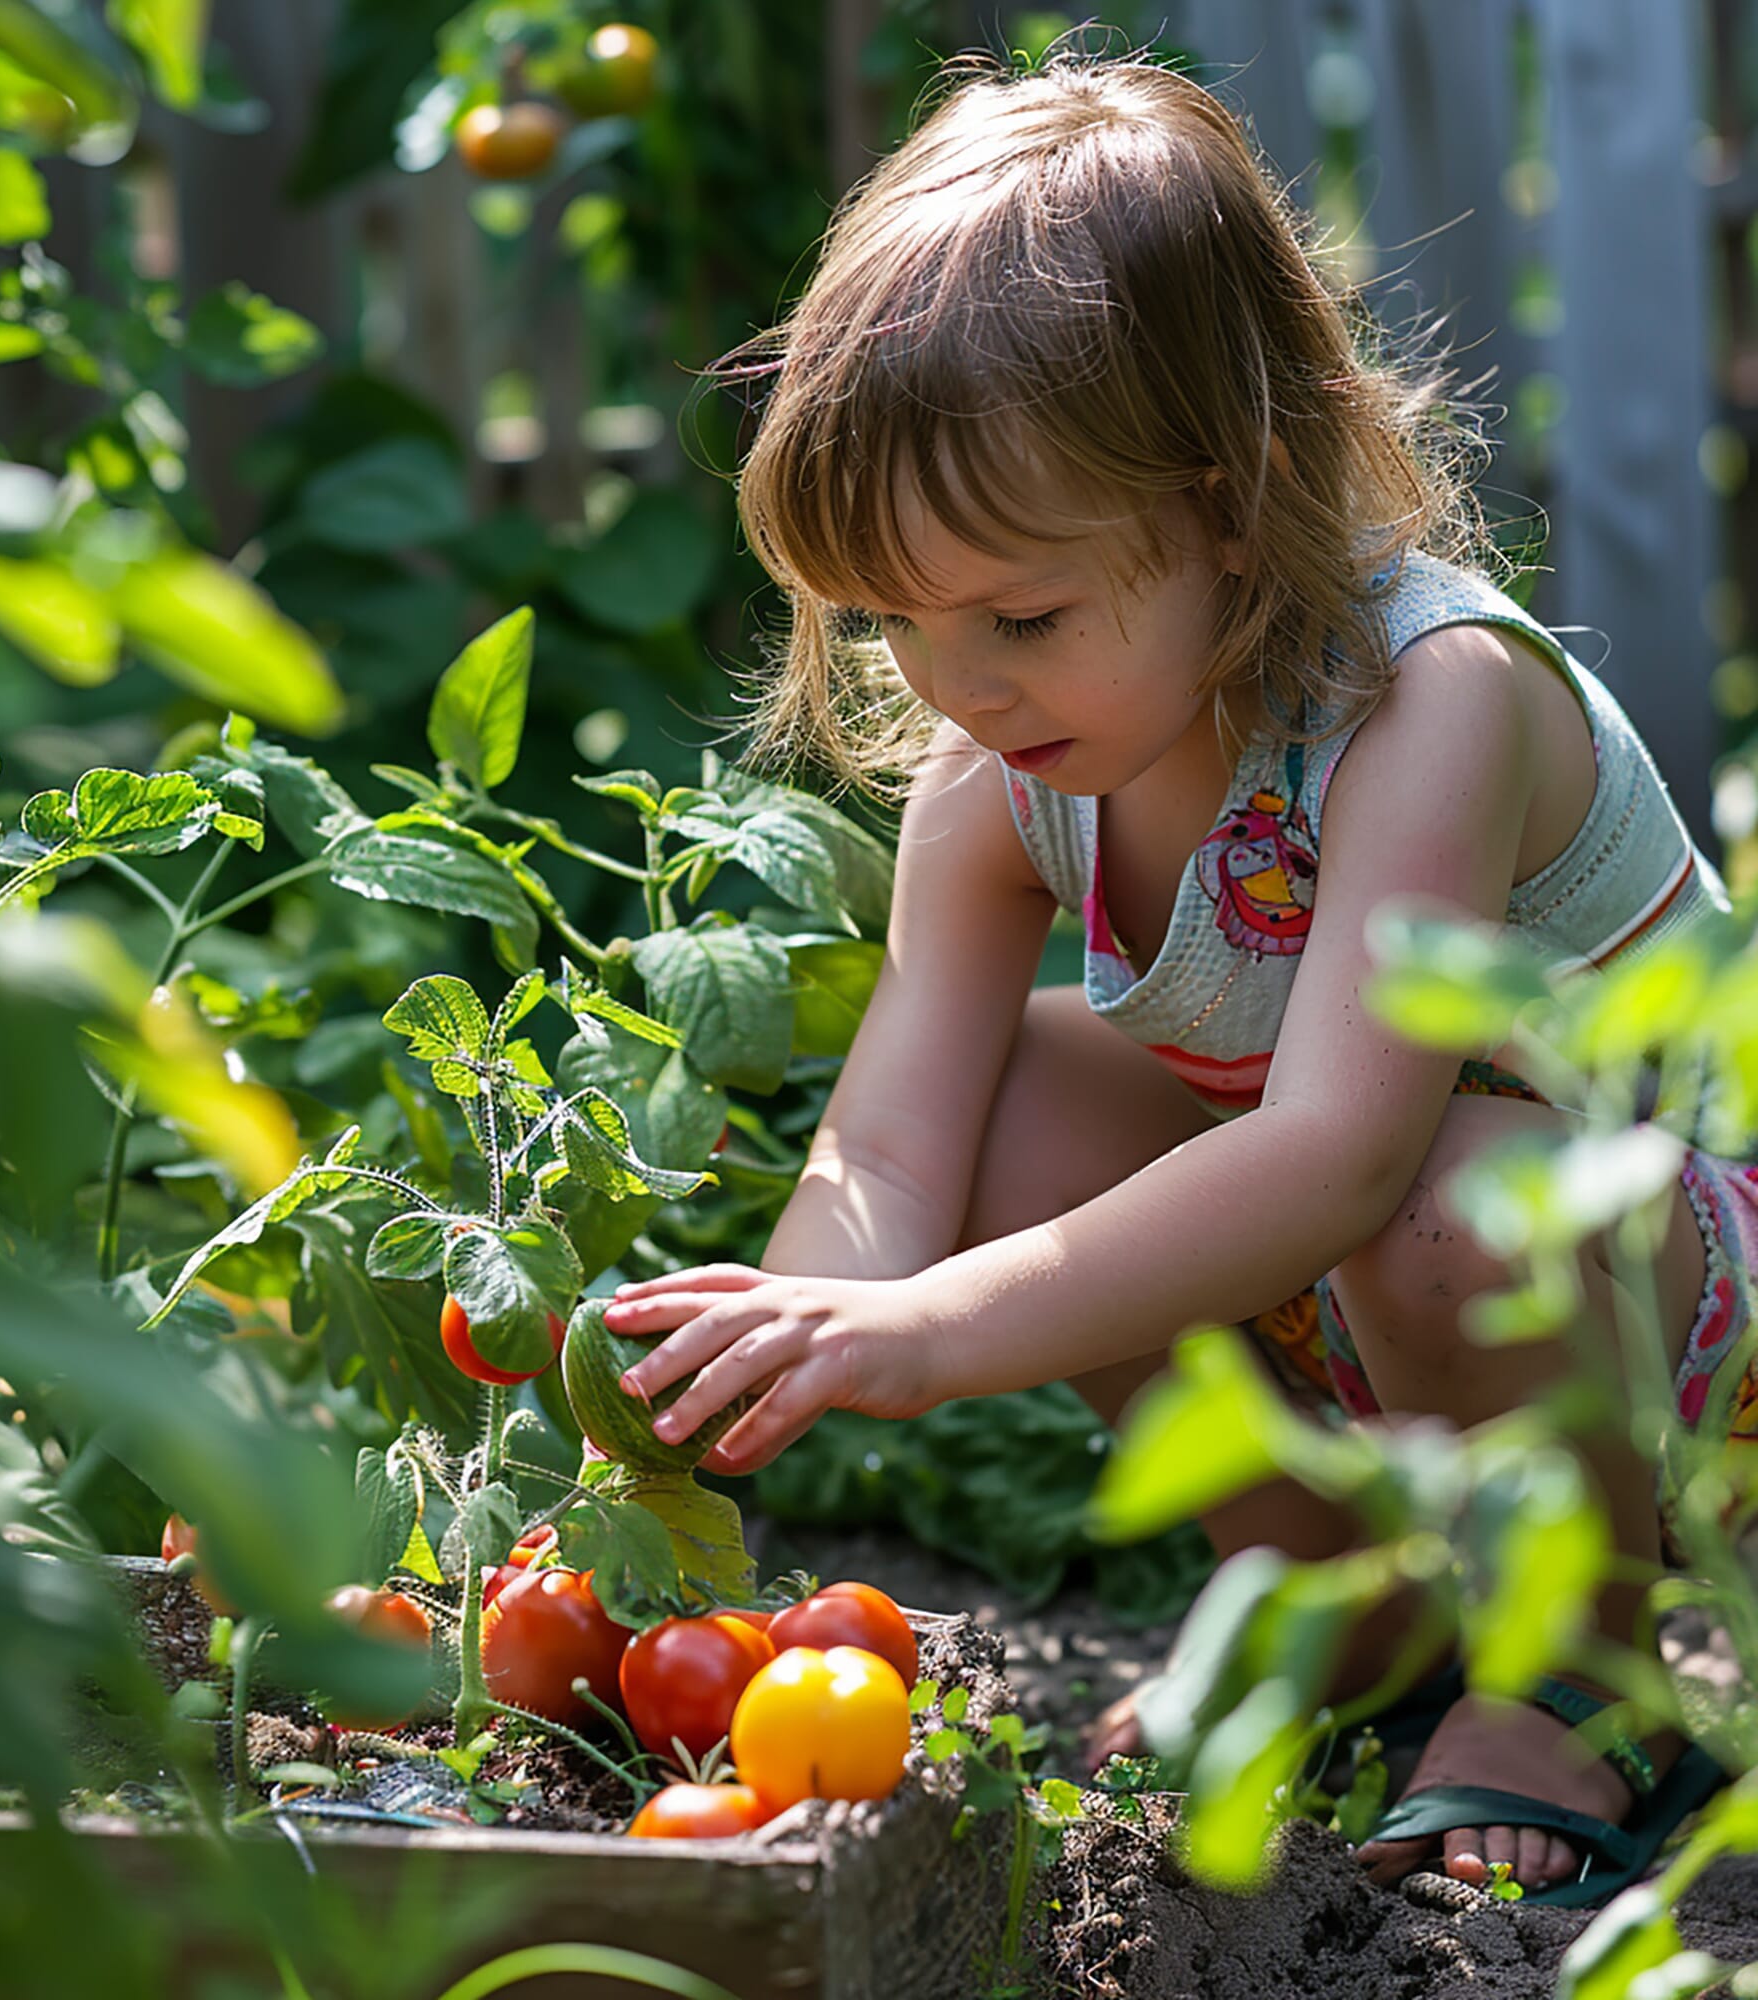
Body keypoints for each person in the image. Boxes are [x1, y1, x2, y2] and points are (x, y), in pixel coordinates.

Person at [603, 45, 1748, 1900]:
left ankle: (1584, 1668)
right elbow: (890, 1157)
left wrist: (934, 1332)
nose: (958, 684)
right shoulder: (1000, 773)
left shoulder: (1428, 702)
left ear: (1231, 503)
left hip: (1669, 1296)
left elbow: (1337, 1161)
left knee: (1461, 1200)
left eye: (1021, 617)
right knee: (1018, 1107)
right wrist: (778, 1360)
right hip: (1388, 1272)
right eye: (896, 623)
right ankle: (1321, 1593)